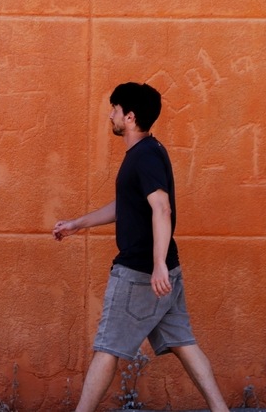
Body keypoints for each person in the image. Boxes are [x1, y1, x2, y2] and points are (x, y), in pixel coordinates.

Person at [53, 82, 230, 412]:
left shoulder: (143, 157)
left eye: (115, 109)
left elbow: (162, 207)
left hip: (139, 274)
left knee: (108, 347)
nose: (111, 114)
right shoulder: (150, 151)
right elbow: (127, 207)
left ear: (130, 117)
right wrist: (78, 224)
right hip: (164, 273)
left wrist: (157, 263)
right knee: (184, 343)